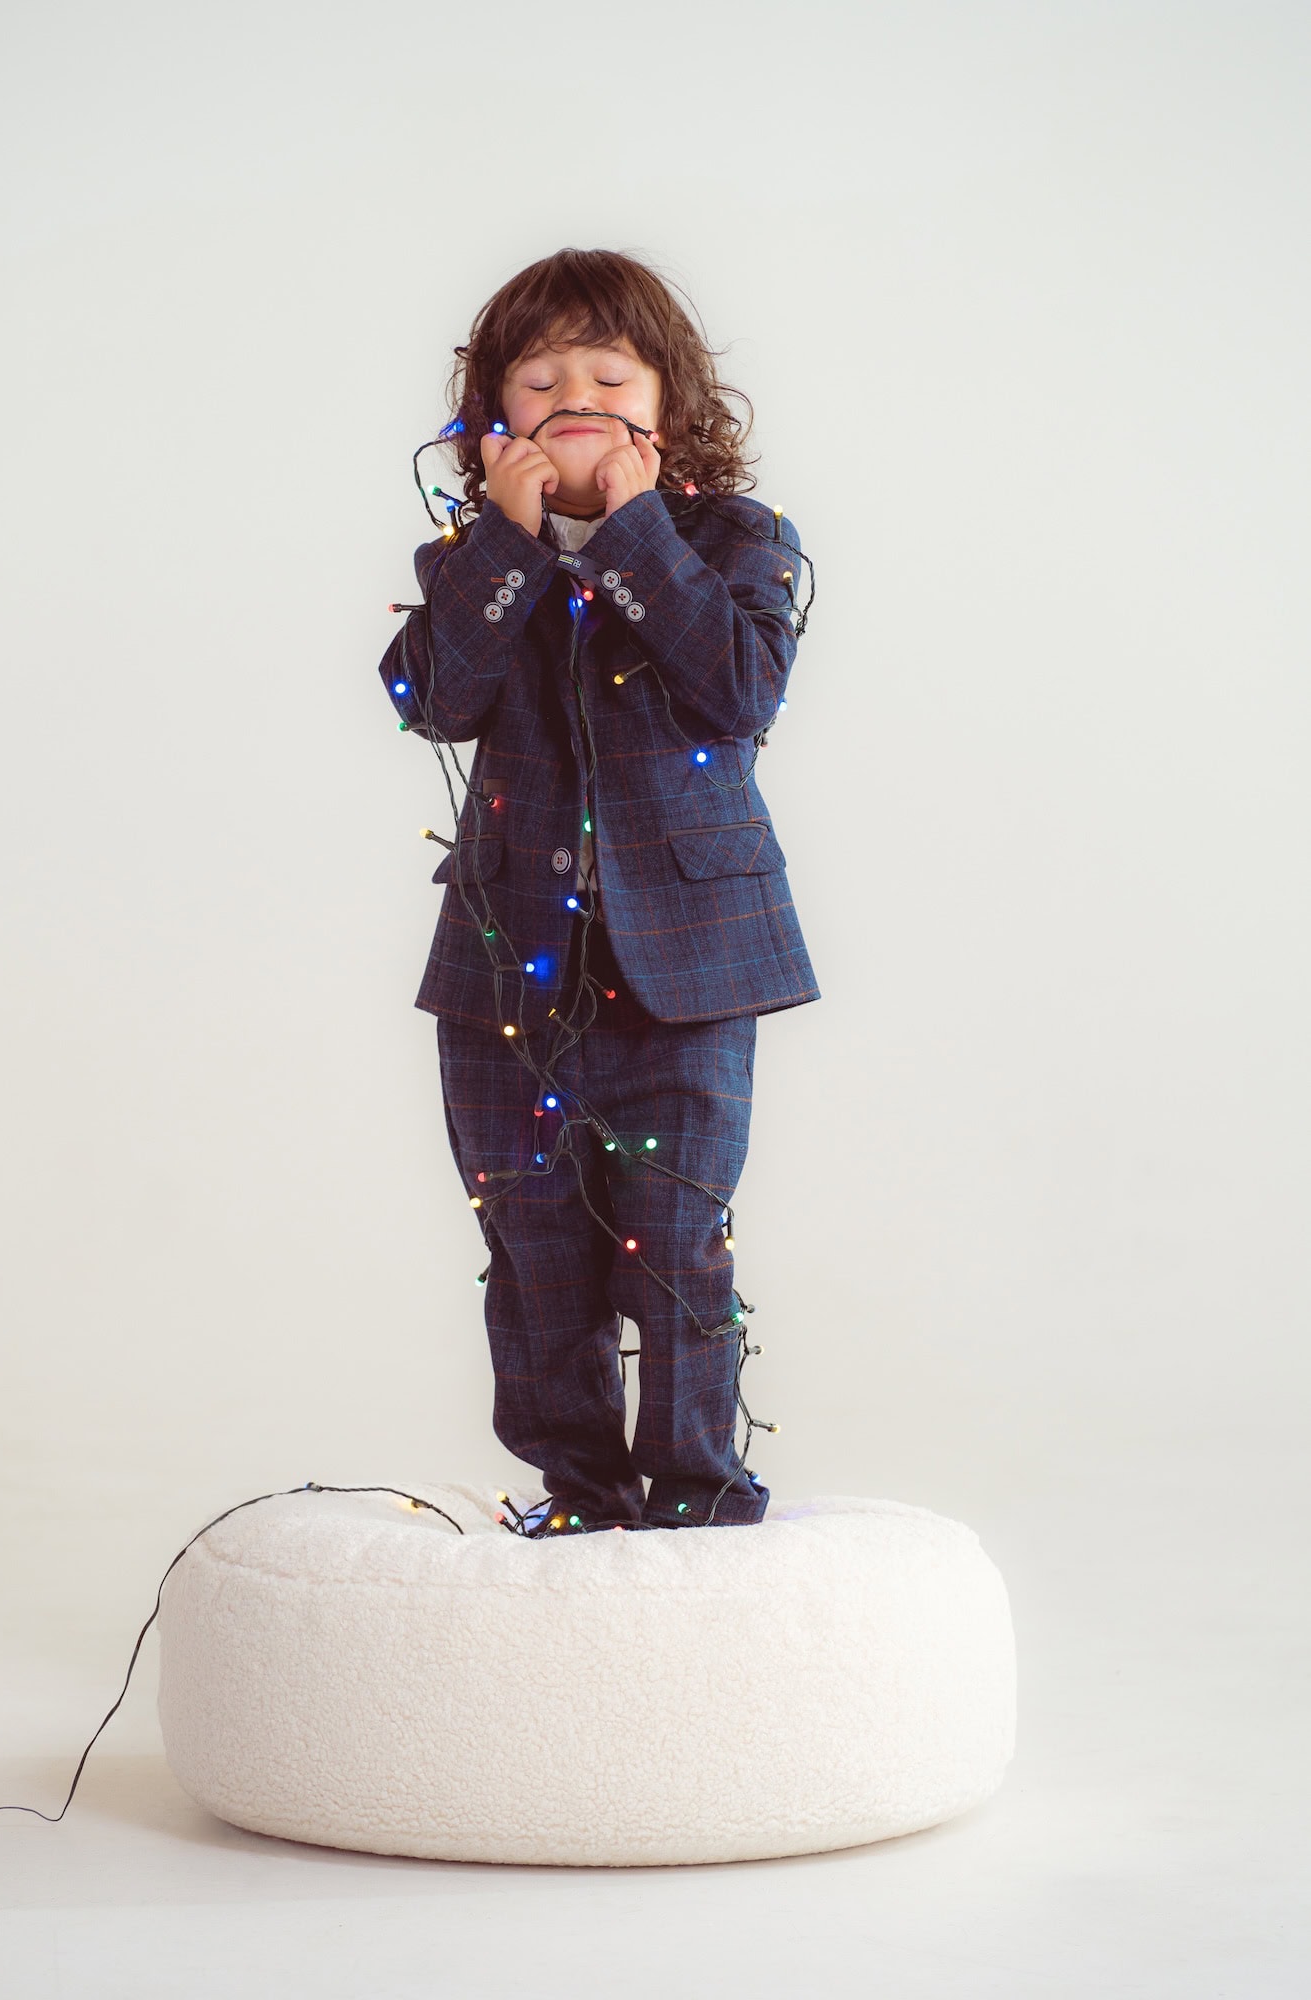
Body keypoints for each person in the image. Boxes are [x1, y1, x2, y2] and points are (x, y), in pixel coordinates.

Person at [377, 248, 819, 1535]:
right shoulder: (474, 556)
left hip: (684, 966)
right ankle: (582, 1489)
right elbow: (429, 700)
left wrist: (631, 533)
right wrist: (507, 549)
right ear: (493, 421)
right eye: (541, 377)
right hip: (507, 966)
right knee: (533, 1246)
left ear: (665, 408)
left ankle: (698, 1492)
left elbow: (738, 692)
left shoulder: (737, 544)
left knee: (675, 1243)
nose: (576, 394)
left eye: (608, 373)